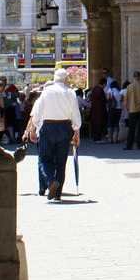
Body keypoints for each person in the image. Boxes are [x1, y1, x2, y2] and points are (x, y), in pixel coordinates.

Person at [26, 67, 81, 201]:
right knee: (61, 162)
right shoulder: (71, 93)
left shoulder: (47, 91)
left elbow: (38, 112)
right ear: (65, 79)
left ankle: (51, 181)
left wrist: (33, 129)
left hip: (48, 126)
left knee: (45, 159)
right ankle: (57, 193)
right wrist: (76, 133)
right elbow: (75, 114)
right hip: (65, 127)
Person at [124, 71, 140, 150]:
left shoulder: (129, 87)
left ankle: (129, 145)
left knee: (132, 128)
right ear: (139, 77)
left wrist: (126, 107)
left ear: (133, 77)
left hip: (132, 109)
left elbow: (126, 98)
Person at [88, 77, 107, 142]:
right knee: (100, 123)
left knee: (95, 123)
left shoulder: (94, 89)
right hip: (100, 109)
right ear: (104, 84)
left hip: (94, 108)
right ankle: (98, 137)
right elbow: (103, 100)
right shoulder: (100, 90)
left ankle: (95, 137)